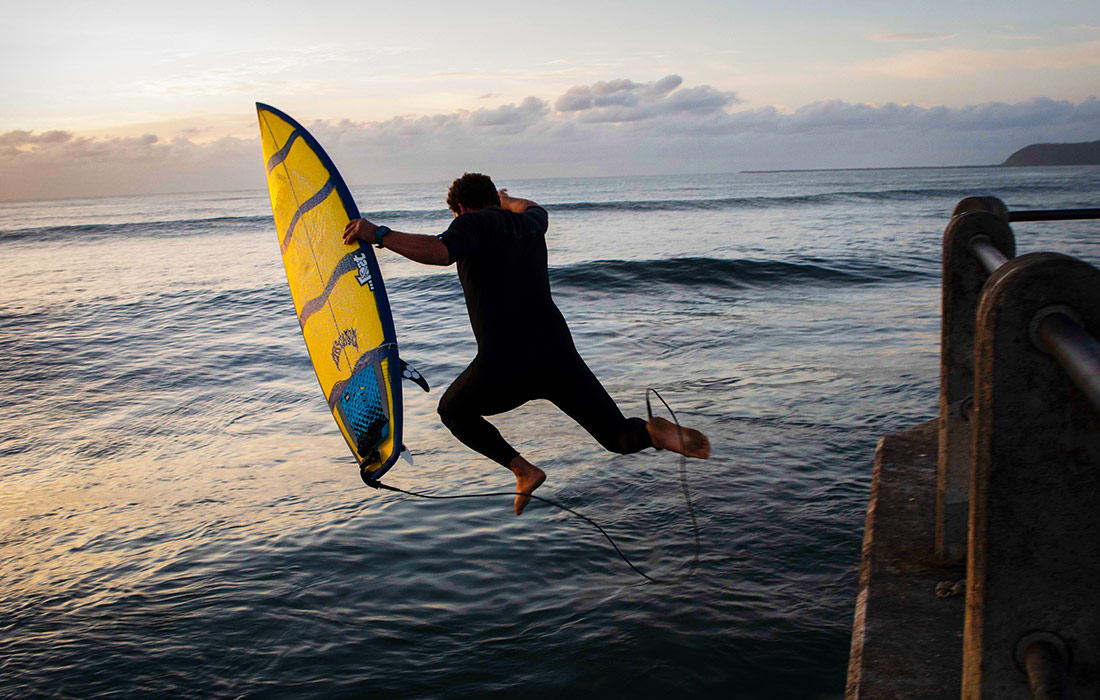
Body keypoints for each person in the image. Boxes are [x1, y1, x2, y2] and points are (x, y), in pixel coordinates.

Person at [343, 173, 710, 515]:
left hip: (507, 361)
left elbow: (440, 252)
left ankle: (523, 470)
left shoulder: (471, 223)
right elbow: (534, 207)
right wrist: (508, 200)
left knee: (454, 412)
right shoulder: (531, 225)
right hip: (558, 354)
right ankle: (653, 433)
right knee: (617, 436)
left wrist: (379, 234)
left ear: (458, 210)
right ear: (494, 200)